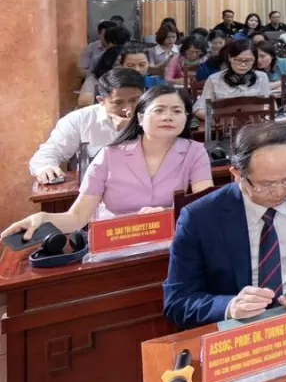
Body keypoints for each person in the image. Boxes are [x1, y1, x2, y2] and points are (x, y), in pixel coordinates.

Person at [162, 123, 286, 329]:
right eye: (267, 184)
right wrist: (231, 306)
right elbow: (178, 301)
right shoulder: (199, 218)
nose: (280, 191)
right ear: (236, 174)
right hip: (241, 326)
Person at [7, 85, 213, 245]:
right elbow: (77, 217)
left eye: (177, 111)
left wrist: (168, 215)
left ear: (186, 118)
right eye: (159, 110)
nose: (168, 116)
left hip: (170, 239)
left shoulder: (194, 151)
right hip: (114, 242)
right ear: (140, 118)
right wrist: (42, 218)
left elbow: (204, 208)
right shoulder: (109, 155)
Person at [28, 69, 146, 182]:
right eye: (118, 103)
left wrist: (138, 126)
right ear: (101, 101)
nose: (128, 108)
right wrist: (46, 168)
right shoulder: (79, 119)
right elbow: (50, 152)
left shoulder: (156, 116)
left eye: (134, 100)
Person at [194, 39, 272, 120]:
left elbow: (268, 105)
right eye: (238, 60)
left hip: (253, 128)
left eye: (249, 60)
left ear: (254, 60)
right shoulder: (214, 80)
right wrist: (220, 117)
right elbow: (199, 109)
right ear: (230, 58)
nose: (243, 64)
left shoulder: (262, 77)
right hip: (223, 128)